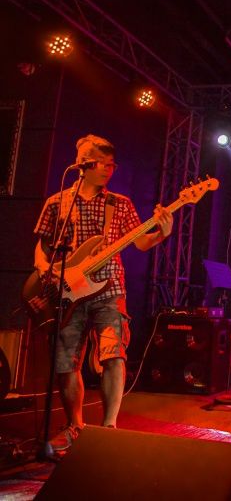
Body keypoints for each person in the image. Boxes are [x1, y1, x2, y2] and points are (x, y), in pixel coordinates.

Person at [33, 134, 173, 452]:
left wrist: (161, 234)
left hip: (109, 289)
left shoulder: (119, 204)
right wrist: (44, 269)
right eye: (103, 164)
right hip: (68, 292)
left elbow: (141, 242)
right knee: (66, 362)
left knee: (113, 354)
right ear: (84, 164)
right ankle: (75, 426)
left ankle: (109, 428)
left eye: (112, 165)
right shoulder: (57, 203)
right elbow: (42, 246)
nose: (109, 170)